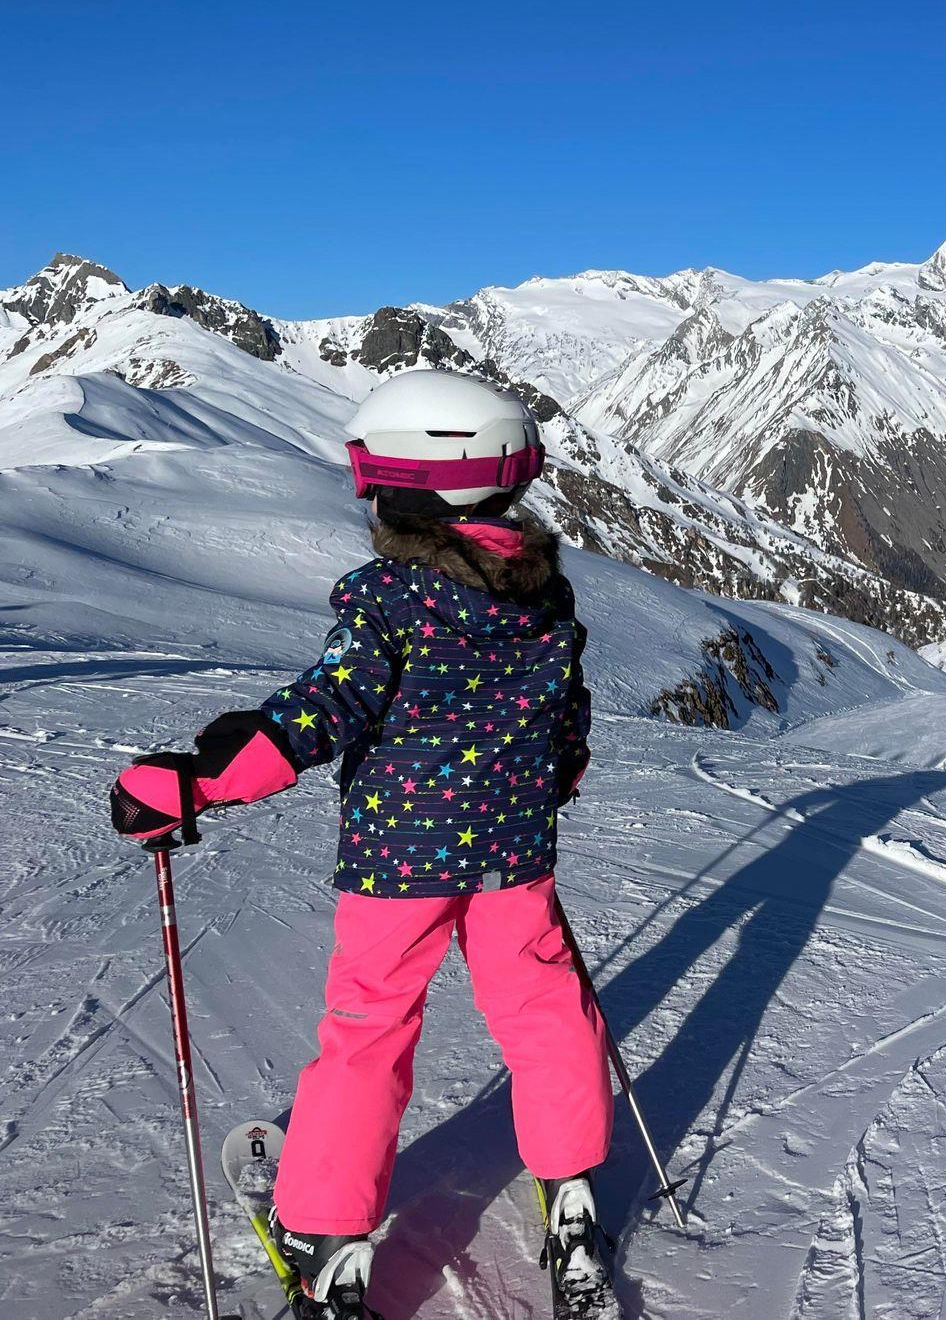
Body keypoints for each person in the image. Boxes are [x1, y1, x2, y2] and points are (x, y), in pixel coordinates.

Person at [109, 370, 613, 1318]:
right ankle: (574, 1194)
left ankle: (329, 1233)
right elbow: (567, 718)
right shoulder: (544, 594)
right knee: (546, 1011)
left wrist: (194, 782)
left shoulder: (392, 597)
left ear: (406, 487)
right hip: (514, 850)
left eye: (371, 478)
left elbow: (322, 709)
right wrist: (550, 781)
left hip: (401, 862)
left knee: (371, 1031)